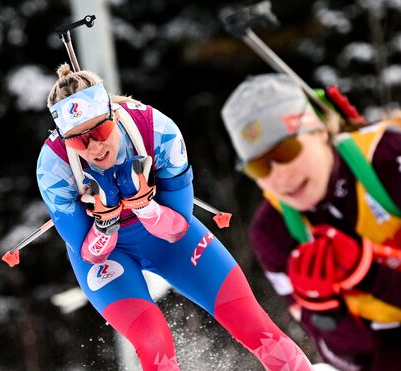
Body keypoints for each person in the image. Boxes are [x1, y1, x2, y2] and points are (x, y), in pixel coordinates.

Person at [36, 63, 314, 371]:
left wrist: (145, 207)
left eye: (100, 130)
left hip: (167, 236)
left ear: (113, 113)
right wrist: (105, 222)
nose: (94, 147)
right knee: (153, 342)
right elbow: (88, 252)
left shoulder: (157, 131)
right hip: (109, 255)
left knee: (252, 322)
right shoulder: (54, 168)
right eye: (77, 140)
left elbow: (179, 226)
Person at [220, 73, 401, 371]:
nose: (279, 177)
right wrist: (324, 309)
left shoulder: (395, 161)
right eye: (259, 166)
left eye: (285, 152)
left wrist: (367, 273)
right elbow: (354, 360)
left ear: (318, 131)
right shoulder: (274, 230)